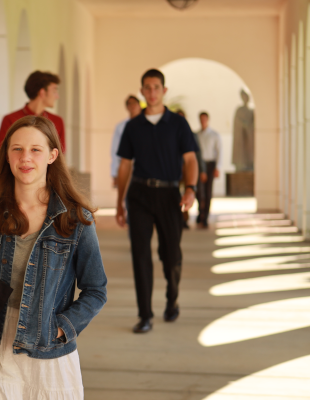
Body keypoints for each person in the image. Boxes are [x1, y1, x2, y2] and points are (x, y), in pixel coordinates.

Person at [0, 116, 107, 399]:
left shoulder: (74, 220)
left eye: (36, 149)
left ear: (52, 155)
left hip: (49, 352)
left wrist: (61, 328)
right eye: (17, 149)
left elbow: (96, 290)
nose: (25, 158)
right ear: (7, 156)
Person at [115, 69, 199, 334]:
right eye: (147, 88)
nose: (151, 92)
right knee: (140, 255)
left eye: (156, 87)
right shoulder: (133, 126)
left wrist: (191, 189)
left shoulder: (178, 124)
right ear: (142, 92)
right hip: (139, 195)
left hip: (169, 195)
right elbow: (125, 166)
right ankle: (145, 315)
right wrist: (119, 202)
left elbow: (190, 160)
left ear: (164, 90)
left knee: (171, 254)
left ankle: (172, 298)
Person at [0, 71, 66, 153]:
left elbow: (61, 155)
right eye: (54, 91)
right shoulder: (10, 119)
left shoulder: (57, 121)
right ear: (42, 92)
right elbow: (0, 153)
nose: (57, 96)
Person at [196, 112, 223, 228]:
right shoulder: (196, 135)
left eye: (204, 119)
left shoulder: (214, 135)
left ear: (208, 120)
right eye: (201, 119)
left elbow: (219, 152)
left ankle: (205, 217)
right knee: (198, 191)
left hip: (210, 164)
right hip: (198, 165)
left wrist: (217, 167)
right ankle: (200, 212)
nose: (203, 121)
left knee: (208, 192)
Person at [110, 95, 143, 188]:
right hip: (127, 166)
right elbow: (115, 150)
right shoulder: (121, 126)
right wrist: (115, 173)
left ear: (139, 105)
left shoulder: (147, 124)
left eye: (134, 103)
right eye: (130, 104)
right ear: (127, 107)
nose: (132, 106)